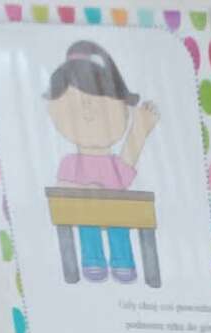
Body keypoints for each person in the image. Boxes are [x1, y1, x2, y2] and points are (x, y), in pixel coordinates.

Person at [45, 41, 159, 286]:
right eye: (77, 104)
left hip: (117, 214)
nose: (88, 112)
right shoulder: (70, 162)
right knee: (88, 226)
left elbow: (127, 168)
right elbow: (61, 189)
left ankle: (123, 261)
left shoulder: (114, 164)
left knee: (119, 226)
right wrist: (86, 190)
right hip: (85, 212)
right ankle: (92, 260)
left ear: (124, 110)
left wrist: (140, 129)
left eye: (99, 104)